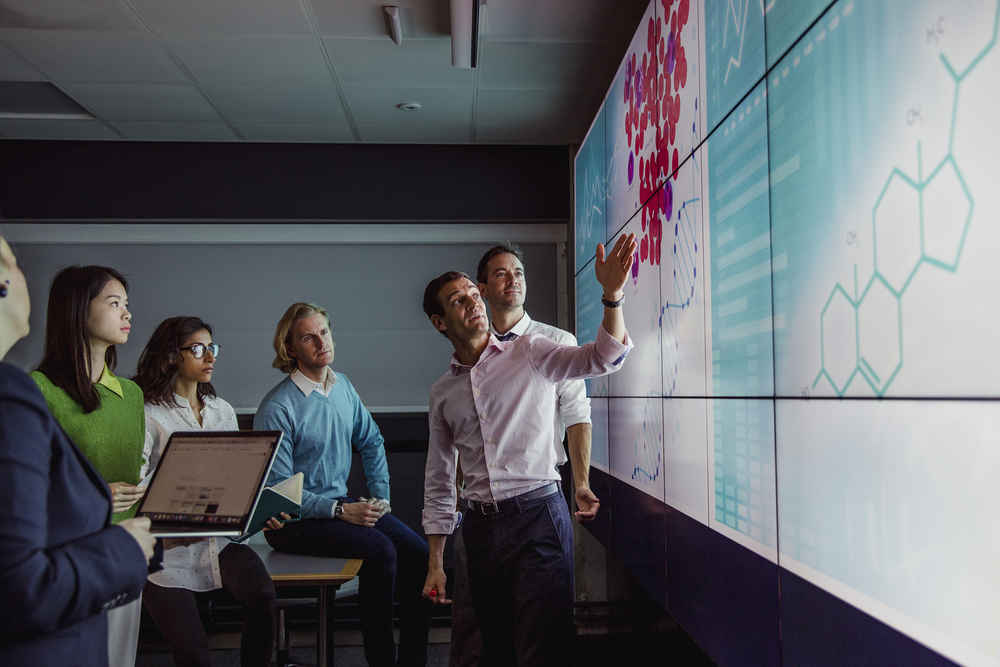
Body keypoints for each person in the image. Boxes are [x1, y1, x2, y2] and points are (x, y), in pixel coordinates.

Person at [421, 233, 637, 667]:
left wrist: (612, 297)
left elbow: (605, 358)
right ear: (440, 322)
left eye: (470, 295)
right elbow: (441, 478)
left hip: (537, 517)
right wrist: (436, 561)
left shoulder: (534, 350)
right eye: (459, 301)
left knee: (544, 650)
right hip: (479, 529)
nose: (473, 303)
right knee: (490, 652)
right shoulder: (443, 392)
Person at [0, 236, 156, 666]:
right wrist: (98, 496)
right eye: (113, 302)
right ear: (77, 310)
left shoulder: (133, 395)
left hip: (129, 549)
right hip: (67, 556)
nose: (127, 313)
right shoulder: (34, 391)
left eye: (126, 303)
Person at [253, 302, 431, 667]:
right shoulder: (277, 407)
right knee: (381, 551)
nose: (321, 342)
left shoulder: (343, 386)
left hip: (340, 506)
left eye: (324, 332)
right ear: (291, 349)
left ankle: (412, 661)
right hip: (293, 522)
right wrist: (338, 510)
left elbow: (372, 441)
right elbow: (281, 491)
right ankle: (381, 660)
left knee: (418, 553)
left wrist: (380, 498)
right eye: (308, 337)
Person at [448, 244, 600, 667]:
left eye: (518, 271)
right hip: (480, 512)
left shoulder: (550, 342)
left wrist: (582, 483)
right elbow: (464, 433)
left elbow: (576, 415)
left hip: (536, 501)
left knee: (542, 633)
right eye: (500, 273)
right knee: (479, 634)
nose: (513, 279)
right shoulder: (470, 351)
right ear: (481, 289)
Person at [134, 316, 280, 667]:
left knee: (264, 598)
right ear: (171, 356)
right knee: (194, 652)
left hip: (216, 540)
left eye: (212, 348)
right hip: (164, 552)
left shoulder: (222, 410)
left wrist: (260, 507)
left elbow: (236, 478)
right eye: (198, 349)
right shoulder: (147, 413)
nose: (210, 357)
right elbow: (137, 485)